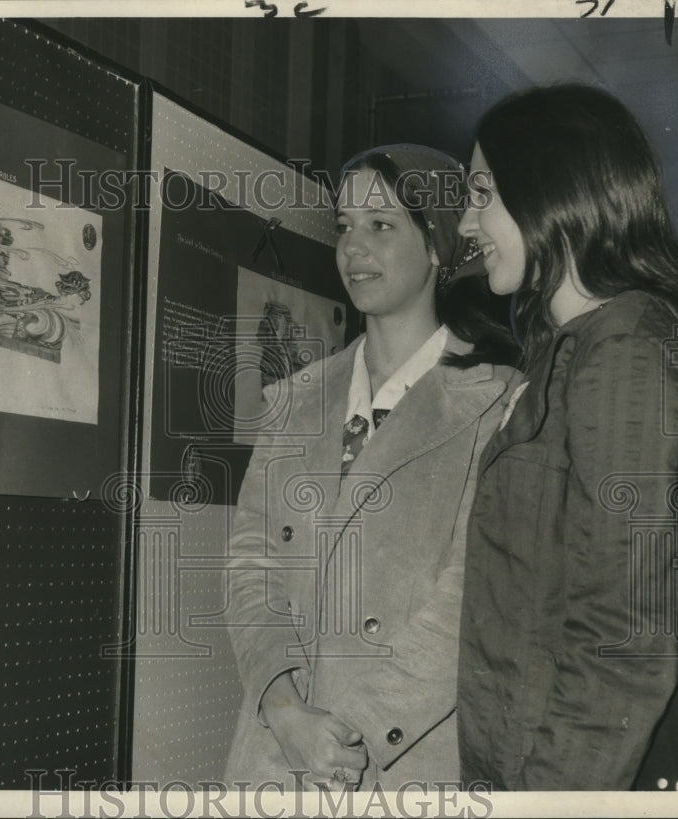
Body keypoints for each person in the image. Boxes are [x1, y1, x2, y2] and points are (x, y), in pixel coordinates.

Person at [455, 84, 678, 791]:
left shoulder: (628, 349)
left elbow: (624, 638)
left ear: (549, 185)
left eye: (481, 193)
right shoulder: (573, 351)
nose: (464, 222)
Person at [224, 145, 522, 791]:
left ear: (440, 244)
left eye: (381, 224)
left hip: (400, 765)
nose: (353, 247)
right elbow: (251, 565)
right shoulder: (295, 398)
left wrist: (346, 734)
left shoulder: (498, 404)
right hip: (277, 757)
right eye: (344, 225)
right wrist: (284, 712)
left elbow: (470, 600)